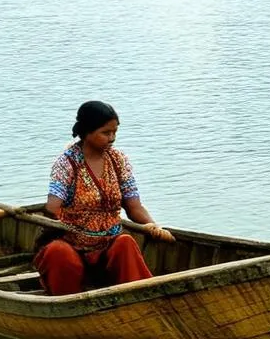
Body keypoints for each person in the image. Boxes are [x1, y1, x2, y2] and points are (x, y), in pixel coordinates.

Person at [34, 101, 174, 296]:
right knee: (59, 253)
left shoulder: (118, 160)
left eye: (115, 132)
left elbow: (134, 207)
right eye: (106, 133)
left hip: (109, 241)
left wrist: (153, 227)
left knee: (126, 243)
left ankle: (139, 298)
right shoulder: (66, 163)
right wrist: (68, 224)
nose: (112, 138)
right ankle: (69, 304)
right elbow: (52, 209)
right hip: (71, 241)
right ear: (87, 132)